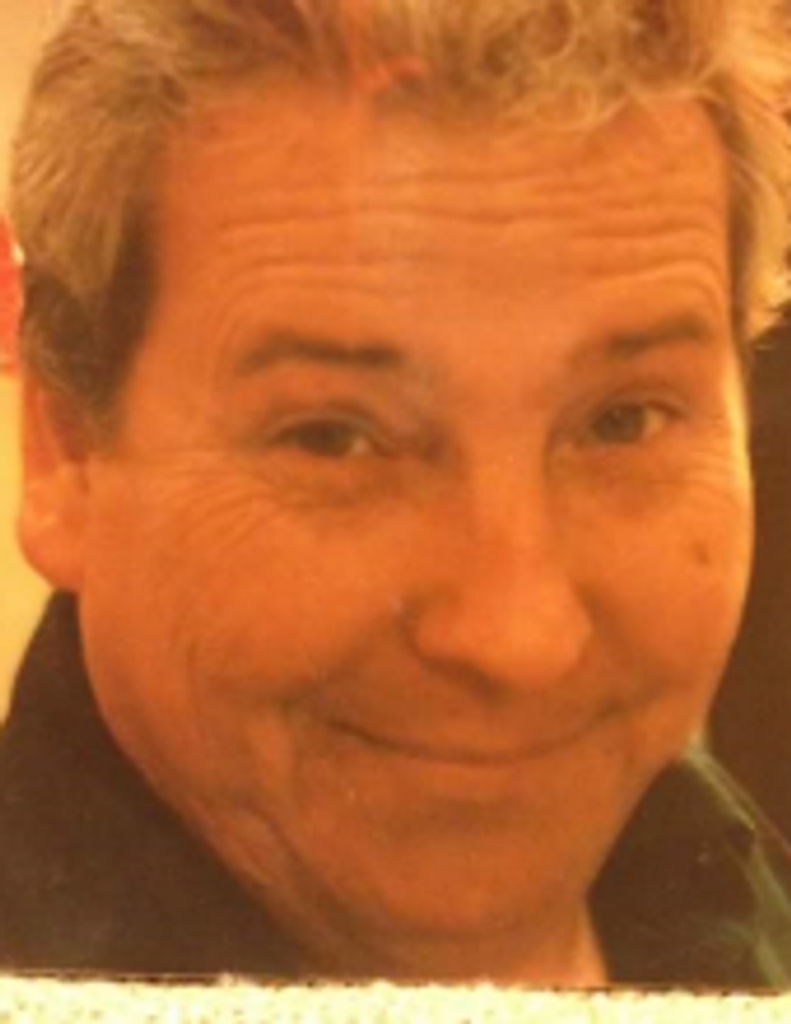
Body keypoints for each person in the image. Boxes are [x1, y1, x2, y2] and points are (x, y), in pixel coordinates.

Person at [1, 0, 790, 987]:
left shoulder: (725, 887)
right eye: (334, 437)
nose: (517, 638)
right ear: (66, 453)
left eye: (621, 420)